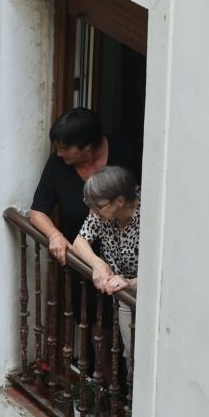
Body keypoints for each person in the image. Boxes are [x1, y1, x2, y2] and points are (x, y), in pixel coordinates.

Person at [25, 108, 140, 263]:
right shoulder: (57, 164)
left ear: (87, 146)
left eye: (65, 148)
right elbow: (37, 211)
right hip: (79, 264)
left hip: (129, 269)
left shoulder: (128, 151)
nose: (59, 153)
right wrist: (55, 235)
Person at [69, 165, 141, 308]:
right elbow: (79, 242)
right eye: (89, 204)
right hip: (121, 299)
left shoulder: (148, 217)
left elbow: (161, 270)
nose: (93, 211)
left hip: (146, 298)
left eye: (98, 206)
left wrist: (131, 283)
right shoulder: (100, 213)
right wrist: (97, 263)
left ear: (120, 201)